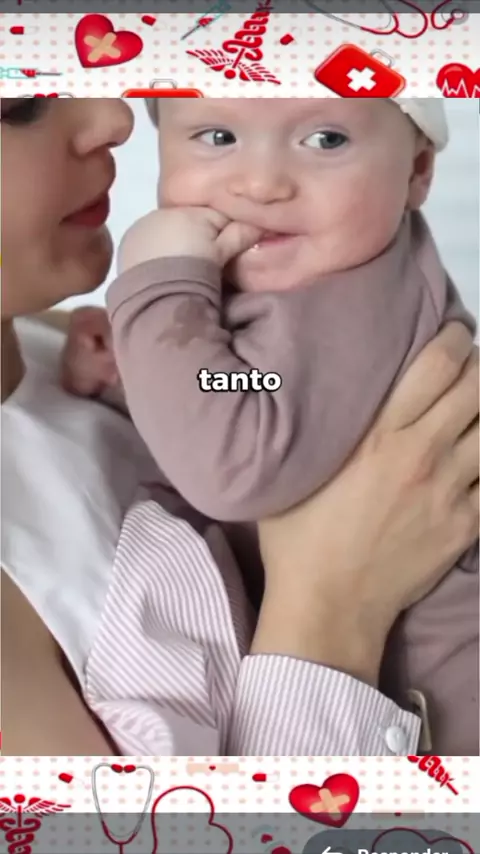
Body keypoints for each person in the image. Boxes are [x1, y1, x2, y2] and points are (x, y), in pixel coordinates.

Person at [1, 97, 478, 757]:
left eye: (327, 139)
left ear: (419, 170)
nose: (117, 117)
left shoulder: (342, 291)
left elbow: (245, 409)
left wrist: (158, 314)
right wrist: (331, 614)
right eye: (19, 107)